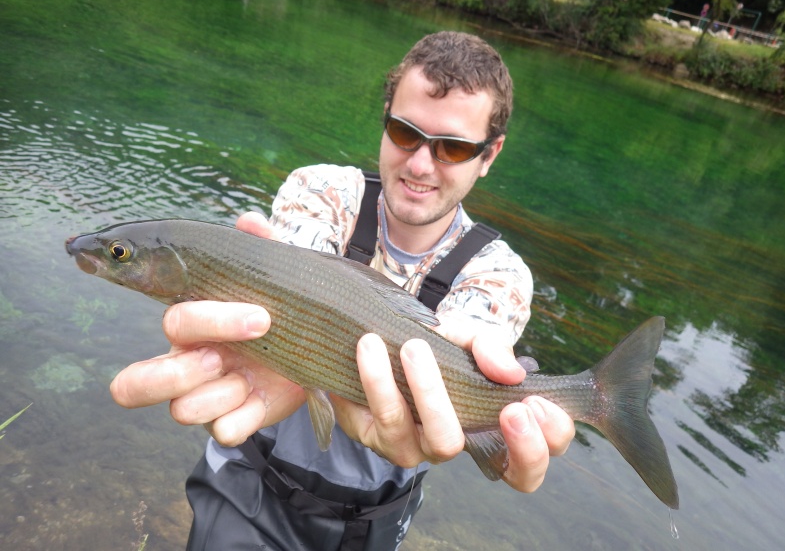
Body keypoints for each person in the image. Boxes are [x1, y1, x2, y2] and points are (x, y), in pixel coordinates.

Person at [109, 31, 575, 550]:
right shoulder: (321, 192)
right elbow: (292, 267)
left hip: (373, 521)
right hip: (250, 482)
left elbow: (484, 342)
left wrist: (504, 433)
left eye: (453, 148)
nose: (421, 164)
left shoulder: (501, 275)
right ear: (385, 116)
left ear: (489, 154)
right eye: (405, 133)